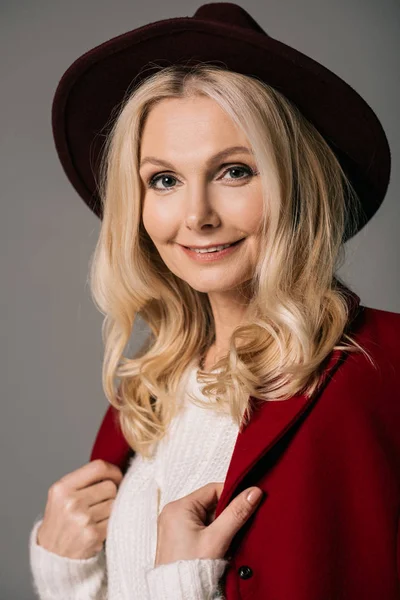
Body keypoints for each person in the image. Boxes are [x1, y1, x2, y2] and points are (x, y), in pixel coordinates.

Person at [29, 3, 400, 599]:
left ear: (293, 184)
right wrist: (65, 575)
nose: (197, 216)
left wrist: (184, 585)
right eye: (165, 180)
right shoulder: (146, 392)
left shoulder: (384, 368)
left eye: (234, 171)